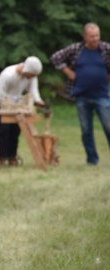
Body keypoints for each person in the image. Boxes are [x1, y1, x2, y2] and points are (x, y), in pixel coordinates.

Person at [50, 23, 110, 165]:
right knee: (86, 130)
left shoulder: (106, 49)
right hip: (82, 96)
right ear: (85, 37)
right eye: (92, 36)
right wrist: (68, 71)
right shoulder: (76, 49)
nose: (95, 39)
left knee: (108, 127)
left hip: (102, 95)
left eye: (97, 35)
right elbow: (55, 57)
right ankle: (92, 159)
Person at [0, 56, 45, 166]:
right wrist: (10, 106)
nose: (32, 78)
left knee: (15, 130)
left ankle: (12, 157)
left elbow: (33, 91)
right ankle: (2, 158)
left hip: (15, 102)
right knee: (3, 130)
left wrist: (39, 101)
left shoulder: (31, 76)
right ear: (27, 70)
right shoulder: (8, 75)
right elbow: (0, 94)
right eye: (32, 75)